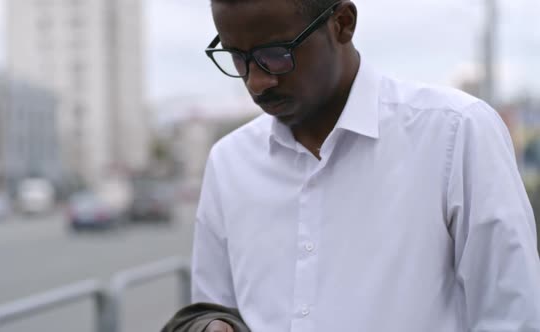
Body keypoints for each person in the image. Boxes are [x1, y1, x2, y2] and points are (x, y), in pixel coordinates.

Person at [191, 0, 540, 331]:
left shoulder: (456, 132)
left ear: (343, 23)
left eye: (276, 55)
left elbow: (512, 314)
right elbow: (211, 311)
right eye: (238, 57)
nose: (256, 81)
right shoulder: (228, 163)